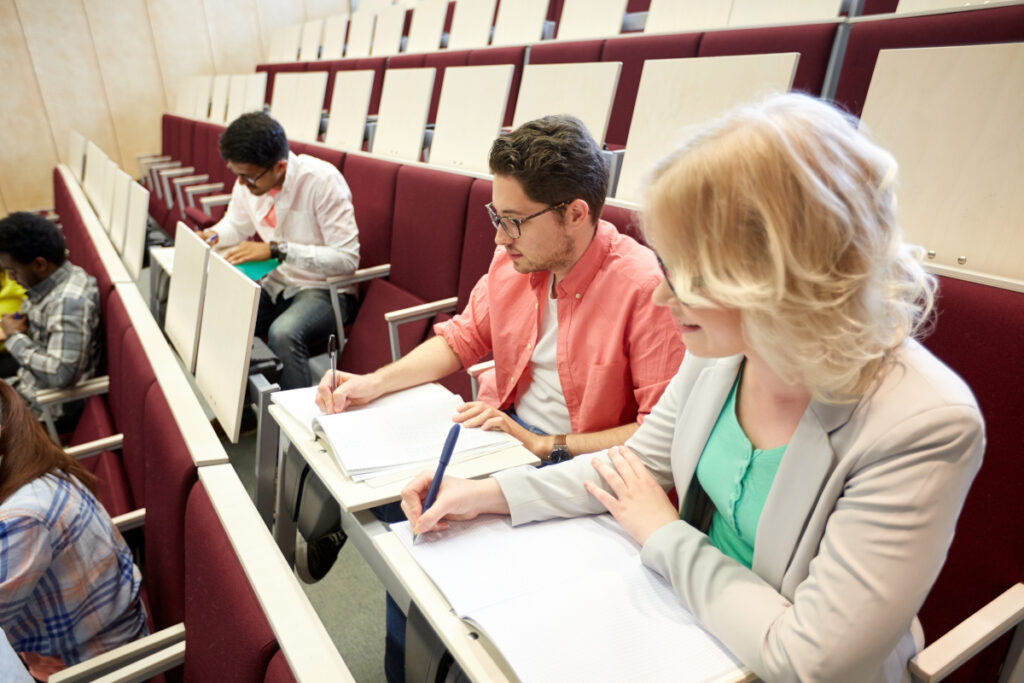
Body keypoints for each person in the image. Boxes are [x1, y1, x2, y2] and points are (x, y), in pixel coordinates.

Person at [401, 93, 985, 683]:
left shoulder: (925, 422)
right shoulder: (725, 350)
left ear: (780, 279)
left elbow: (808, 659)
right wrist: (483, 494)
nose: (660, 295)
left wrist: (663, 533)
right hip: (690, 624)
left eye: (689, 274)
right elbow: (632, 469)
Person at [315, 115, 685, 683]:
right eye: (495, 217)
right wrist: (374, 381)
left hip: (584, 468)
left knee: (440, 559)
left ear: (575, 214)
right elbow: (463, 339)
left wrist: (546, 442)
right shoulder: (516, 261)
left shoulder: (642, 287)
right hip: (503, 434)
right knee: (415, 534)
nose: (497, 237)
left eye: (512, 221)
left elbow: (660, 433)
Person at [199, 112, 360, 390]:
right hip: (278, 283)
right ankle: (246, 409)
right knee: (226, 312)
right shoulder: (251, 181)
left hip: (325, 290)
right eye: (237, 175)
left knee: (284, 333)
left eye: (248, 178)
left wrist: (278, 250)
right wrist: (215, 234)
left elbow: (347, 260)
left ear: (280, 167)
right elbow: (236, 224)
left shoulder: (321, 181)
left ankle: (298, 424)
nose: (242, 185)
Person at [0, 379, 148, 680]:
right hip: (86, 647)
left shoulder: (21, 517)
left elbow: (61, 374)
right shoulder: (30, 464)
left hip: (91, 667)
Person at [0, 212, 100, 433]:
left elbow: (61, 373)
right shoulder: (53, 281)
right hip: (28, 389)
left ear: (39, 264)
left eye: (13, 271)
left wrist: (14, 337)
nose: (11, 278)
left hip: (46, 411)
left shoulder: (69, 302)